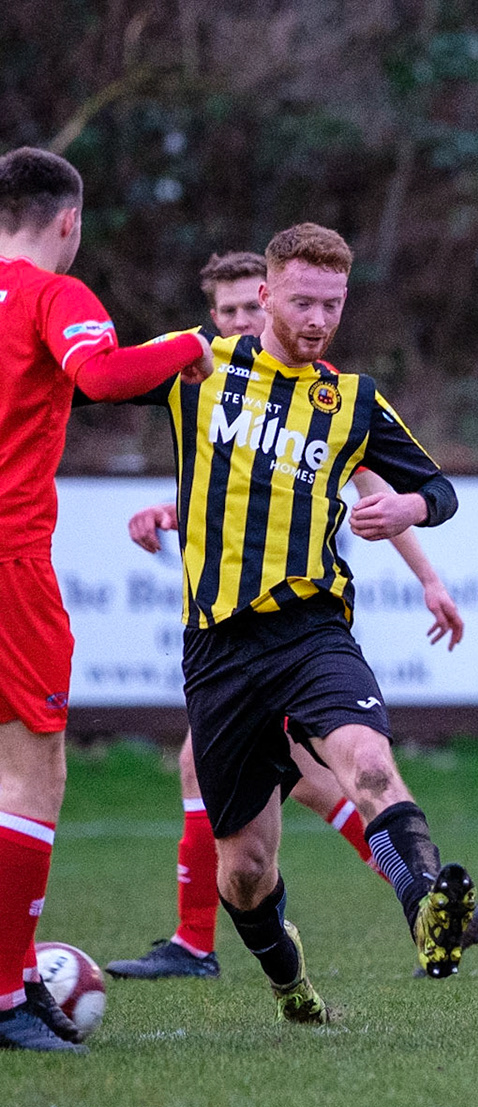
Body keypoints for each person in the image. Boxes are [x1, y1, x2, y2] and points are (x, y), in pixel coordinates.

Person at [121, 221, 476, 1023]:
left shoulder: (351, 402)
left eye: (333, 305)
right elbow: (93, 377)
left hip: (312, 632)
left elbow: (439, 490)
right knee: (245, 867)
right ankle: (289, 982)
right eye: (304, 302)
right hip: (219, 651)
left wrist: (411, 506)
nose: (318, 320)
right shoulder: (197, 367)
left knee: (371, 766)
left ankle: (428, 912)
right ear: (266, 296)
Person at [0, 147, 212, 1051]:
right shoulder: (56, 296)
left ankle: (11, 979)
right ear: (69, 223)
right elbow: (104, 376)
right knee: (32, 771)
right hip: (9, 563)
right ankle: (8, 999)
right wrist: (192, 347)